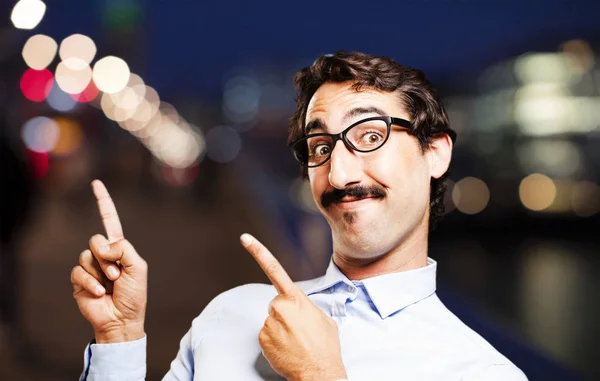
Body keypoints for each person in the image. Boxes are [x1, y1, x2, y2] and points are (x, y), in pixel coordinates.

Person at [71, 51, 527, 380]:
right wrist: (119, 336)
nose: (340, 171)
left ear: (435, 153)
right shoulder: (229, 313)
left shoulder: (480, 371)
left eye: (370, 136)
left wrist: (320, 376)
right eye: (321, 147)